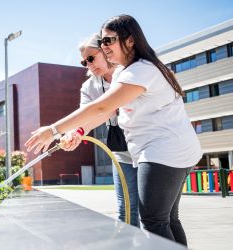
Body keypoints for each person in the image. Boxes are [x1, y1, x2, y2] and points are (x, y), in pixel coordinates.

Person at [25, 14, 202, 246]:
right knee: (166, 218)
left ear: (130, 40)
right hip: (169, 150)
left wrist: (53, 129)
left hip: (163, 151)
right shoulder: (124, 72)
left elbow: (102, 106)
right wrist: (75, 133)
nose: (104, 47)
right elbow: (103, 113)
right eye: (102, 42)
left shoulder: (141, 70)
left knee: (153, 221)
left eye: (108, 41)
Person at [61, 33, 139, 227]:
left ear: (105, 50)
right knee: (126, 210)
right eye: (84, 62)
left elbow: (107, 108)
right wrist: (73, 133)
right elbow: (84, 117)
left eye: (91, 58)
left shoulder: (132, 71)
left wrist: (56, 129)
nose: (88, 65)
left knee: (154, 214)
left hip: (147, 144)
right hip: (121, 149)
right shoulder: (89, 86)